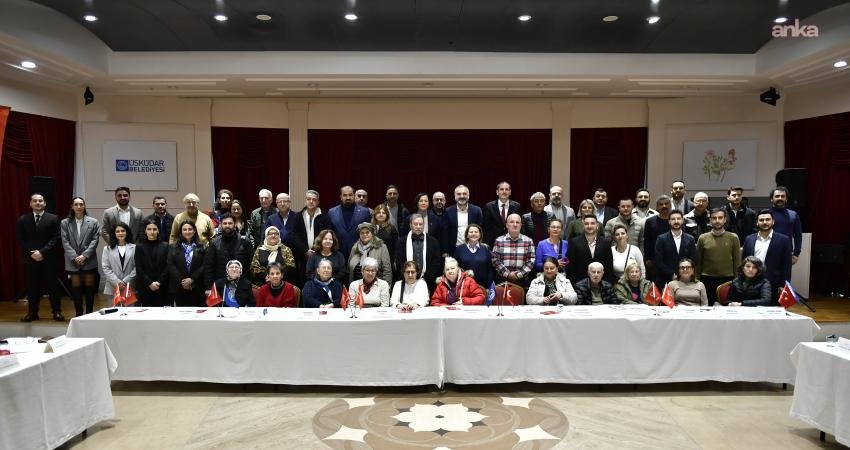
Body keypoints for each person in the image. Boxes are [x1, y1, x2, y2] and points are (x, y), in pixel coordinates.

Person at [19, 193, 63, 322]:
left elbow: (56, 238)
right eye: (35, 201)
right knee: (33, 286)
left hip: (49, 258)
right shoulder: (23, 219)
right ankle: (32, 313)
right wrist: (33, 253)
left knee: (53, 286)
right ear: (30, 204)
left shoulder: (53, 218)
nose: (38, 203)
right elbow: (21, 240)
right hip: (31, 259)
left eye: (40, 201)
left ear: (44, 203)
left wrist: (42, 252)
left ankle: (57, 311)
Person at [60, 197, 100, 316]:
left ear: (84, 206)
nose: (79, 207)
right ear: (72, 206)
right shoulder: (65, 222)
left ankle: (89, 314)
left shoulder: (93, 221)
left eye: (81, 204)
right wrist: (75, 257)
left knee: (89, 290)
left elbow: (95, 240)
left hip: (89, 260)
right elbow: (65, 241)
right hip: (73, 261)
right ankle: (78, 314)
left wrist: (84, 256)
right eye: (76, 204)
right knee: (76, 290)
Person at [742, 209, 793, 304]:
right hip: (751, 284)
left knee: (772, 313)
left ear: (773, 221)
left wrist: (783, 285)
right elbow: (744, 261)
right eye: (761, 220)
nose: (764, 222)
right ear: (757, 222)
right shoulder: (749, 239)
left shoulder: (784, 240)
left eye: (767, 219)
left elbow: (787, 266)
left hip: (774, 284)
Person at [696, 208, 741, 306]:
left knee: (727, 310)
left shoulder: (733, 237)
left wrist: (737, 281)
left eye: (720, 218)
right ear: (710, 220)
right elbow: (698, 261)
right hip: (707, 279)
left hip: (728, 280)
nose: (717, 221)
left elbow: (737, 261)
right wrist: (697, 280)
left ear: (725, 219)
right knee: (707, 309)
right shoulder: (702, 238)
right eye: (714, 218)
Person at [395, 213, 442, 292]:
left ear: (423, 225)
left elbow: (436, 262)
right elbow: (399, 262)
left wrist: (425, 277)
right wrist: (409, 275)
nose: (418, 226)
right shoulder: (401, 242)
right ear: (410, 225)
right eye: (415, 224)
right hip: (406, 280)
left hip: (428, 282)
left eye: (420, 224)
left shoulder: (433, 241)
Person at [204, 214, 253, 288]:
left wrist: (250, 282)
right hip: (221, 284)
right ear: (220, 225)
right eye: (224, 223)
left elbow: (251, 264)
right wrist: (209, 287)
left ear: (234, 224)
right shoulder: (214, 243)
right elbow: (209, 266)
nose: (227, 225)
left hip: (242, 284)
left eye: (230, 223)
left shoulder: (245, 241)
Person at [167, 220, 206, 307]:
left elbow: (204, 265)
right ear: (181, 231)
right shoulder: (173, 247)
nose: (187, 232)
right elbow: (170, 265)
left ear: (194, 230)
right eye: (184, 229)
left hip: (197, 286)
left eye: (190, 229)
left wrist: (192, 279)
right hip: (179, 287)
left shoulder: (202, 246)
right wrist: (183, 281)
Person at [654, 210, 697, 288]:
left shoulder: (690, 239)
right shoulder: (661, 238)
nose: (676, 221)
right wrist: (672, 274)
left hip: (686, 279)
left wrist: (683, 274)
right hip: (665, 280)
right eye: (673, 219)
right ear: (669, 221)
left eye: (678, 218)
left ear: (683, 220)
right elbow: (658, 261)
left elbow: (693, 259)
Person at [567, 215, 615, 284]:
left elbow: (609, 267)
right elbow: (570, 267)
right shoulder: (574, 242)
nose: (589, 226)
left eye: (592, 223)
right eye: (586, 224)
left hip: (602, 284)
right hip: (580, 284)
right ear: (583, 226)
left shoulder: (606, 243)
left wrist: (607, 285)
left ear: (597, 225)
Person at [491, 213, 535, 288]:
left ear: (521, 225)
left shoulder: (528, 241)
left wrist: (519, 275)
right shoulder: (499, 240)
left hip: (522, 281)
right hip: (502, 281)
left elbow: (531, 261)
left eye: (517, 222)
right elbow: (495, 260)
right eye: (512, 222)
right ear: (507, 225)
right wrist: (508, 274)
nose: (515, 224)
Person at [134, 218, 170, 307]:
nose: (152, 232)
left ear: (158, 231)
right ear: (145, 231)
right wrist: (150, 283)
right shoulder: (139, 247)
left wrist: (159, 282)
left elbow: (168, 266)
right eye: (149, 229)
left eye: (154, 229)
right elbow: (139, 267)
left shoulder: (165, 246)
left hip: (162, 286)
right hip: (145, 286)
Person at [328, 185, 372, 257]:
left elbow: (369, 233)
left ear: (354, 196)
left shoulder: (365, 212)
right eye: (345, 195)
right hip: (337, 253)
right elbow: (330, 232)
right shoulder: (332, 212)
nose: (348, 197)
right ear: (341, 197)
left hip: (359, 252)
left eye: (350, 195)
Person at [101, 222, 136, 303]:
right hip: (112, 287)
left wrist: (125, 281)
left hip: (130, 286)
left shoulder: (134, 248)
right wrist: (117, 282)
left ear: (127, 232)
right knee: (113, 314)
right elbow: (106, 267)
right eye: (117, 231)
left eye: (123, 231)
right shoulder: (107, 249)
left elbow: (137, 267)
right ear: (114, 234)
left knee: (130, 314)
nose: (120, 233)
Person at [443, 184, 484, 255]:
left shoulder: (477, 210)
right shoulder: (447, 211)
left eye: (464, 194)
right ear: (455, 196)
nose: (462, 196)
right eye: (459, 194)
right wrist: (445, 251)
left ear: (468, 195)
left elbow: (481, 230)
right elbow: (445, 233)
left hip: (473, 249)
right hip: (453, 250)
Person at [768, 186, 803, 265]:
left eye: (783, 196)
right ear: (771, 199)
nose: (780, 198)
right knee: (767, 277)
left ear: (786, 199)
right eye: (777, 196)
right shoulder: (765, 214)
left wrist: (796, 254)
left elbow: (798, 235)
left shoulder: (793, 215)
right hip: (767, 252)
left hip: (786, 253)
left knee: (785, 277)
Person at [453, 223, 493, 290]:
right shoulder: (459, 249)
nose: (473, 234)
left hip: (483, 287)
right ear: (467, 235)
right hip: (464, 288)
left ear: (480, 235)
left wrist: (488, 287)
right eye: (471, 232)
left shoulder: (486, 248)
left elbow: (490, 269)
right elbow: (455, 268)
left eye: (476, 232)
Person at [294, 189, 331, 259]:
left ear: (318, 202)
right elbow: (295, 235)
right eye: (309, 199)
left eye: (314, 200)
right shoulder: (298, 216)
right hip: (302, 254)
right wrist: (305, 250)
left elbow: (326, 235)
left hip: (320, 253)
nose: (311, 201)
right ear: (305, 201)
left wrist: (314, 250)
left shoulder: (325, 217)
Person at [643, 195, 672, 282]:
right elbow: (647, 241)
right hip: (654, 261)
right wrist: (648, 258)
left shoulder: (675, 220)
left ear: (670, 205)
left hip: (671, 260)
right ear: (657, 206)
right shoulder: (650, 221)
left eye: (666, 204)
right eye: (661, 204)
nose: (664, 206)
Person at [483, 181, 521, 247]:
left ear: (510, 192)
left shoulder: (517, 206)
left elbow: (519, 225)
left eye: (507, 189)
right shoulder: (489, 207)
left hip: (512, 241)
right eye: (501, 189)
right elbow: (486, 227)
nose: (504, 191)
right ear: (497, 192)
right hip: (493, 243)